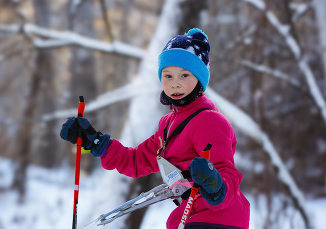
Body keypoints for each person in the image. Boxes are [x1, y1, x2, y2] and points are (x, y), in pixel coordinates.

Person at [60, 28, 250, 229]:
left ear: (199, 79)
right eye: (168, 76)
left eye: (184, 75)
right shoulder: (168, 125)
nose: (175, 84)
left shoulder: (209, 121)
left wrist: (216, 187)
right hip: (190, 216)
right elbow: (136, 161)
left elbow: (226, 172)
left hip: (219, 219)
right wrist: (94, 140)